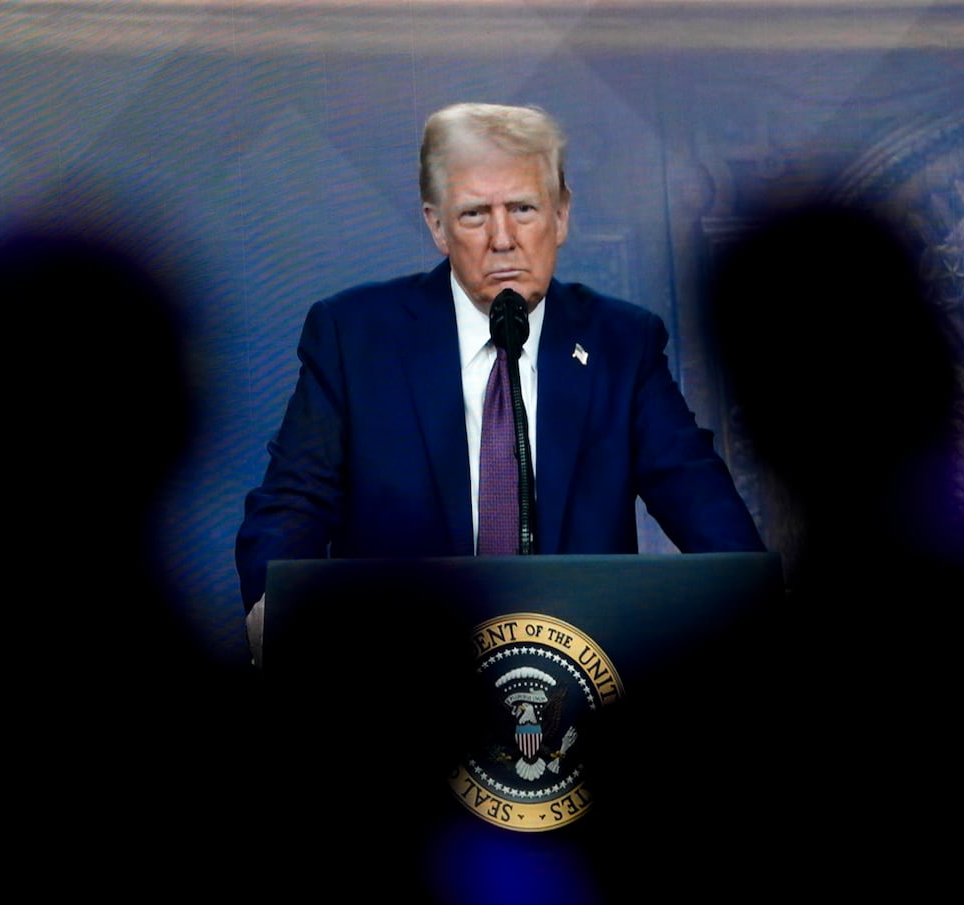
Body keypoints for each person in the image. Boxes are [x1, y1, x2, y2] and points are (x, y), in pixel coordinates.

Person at [235, 102, 763, 661]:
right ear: (437, 226)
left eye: (523, 208)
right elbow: (294, 501)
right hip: (405, 673)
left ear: (561, 216)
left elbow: (695, 493)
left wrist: (757, 601)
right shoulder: (355, 337)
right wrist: (277, 617)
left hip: (576, 678)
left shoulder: (620, 343)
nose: (503, 238)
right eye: (474, 215)